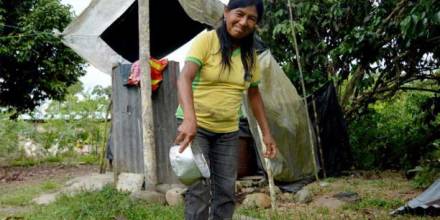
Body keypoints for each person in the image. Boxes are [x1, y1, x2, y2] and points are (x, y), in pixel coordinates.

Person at [174, 0, 277, 219]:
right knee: (199, 189)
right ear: (226, 12)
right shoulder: (207, 41)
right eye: (239, 14)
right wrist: (190, 120)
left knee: (226, 191)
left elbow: (254, 94)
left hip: (228, 132)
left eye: (251, 18)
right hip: (196, 128)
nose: (243, 22)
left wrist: (267, 134)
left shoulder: (251, 56)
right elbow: (185, 77)